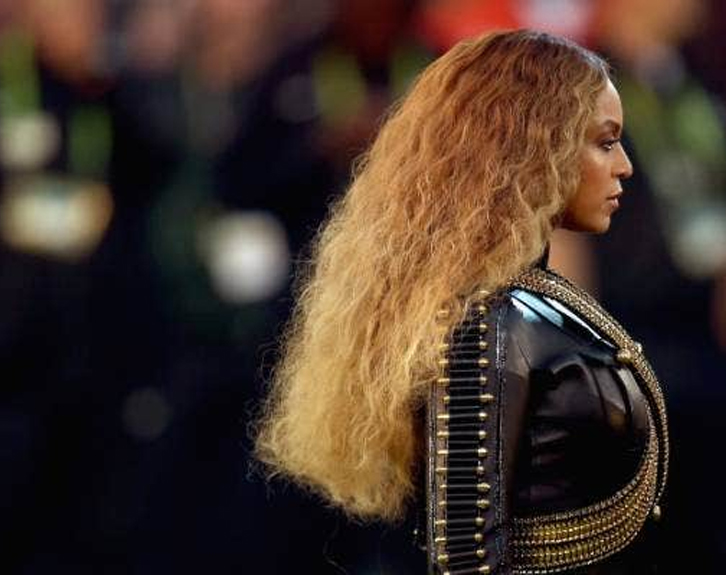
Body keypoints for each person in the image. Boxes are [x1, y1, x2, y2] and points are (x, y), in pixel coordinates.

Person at [254, 30, 670, 573]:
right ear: (535, 145)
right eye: (606, 143)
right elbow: (464, 557)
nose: (625, 166)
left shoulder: (523, 302)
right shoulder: (485, 324)